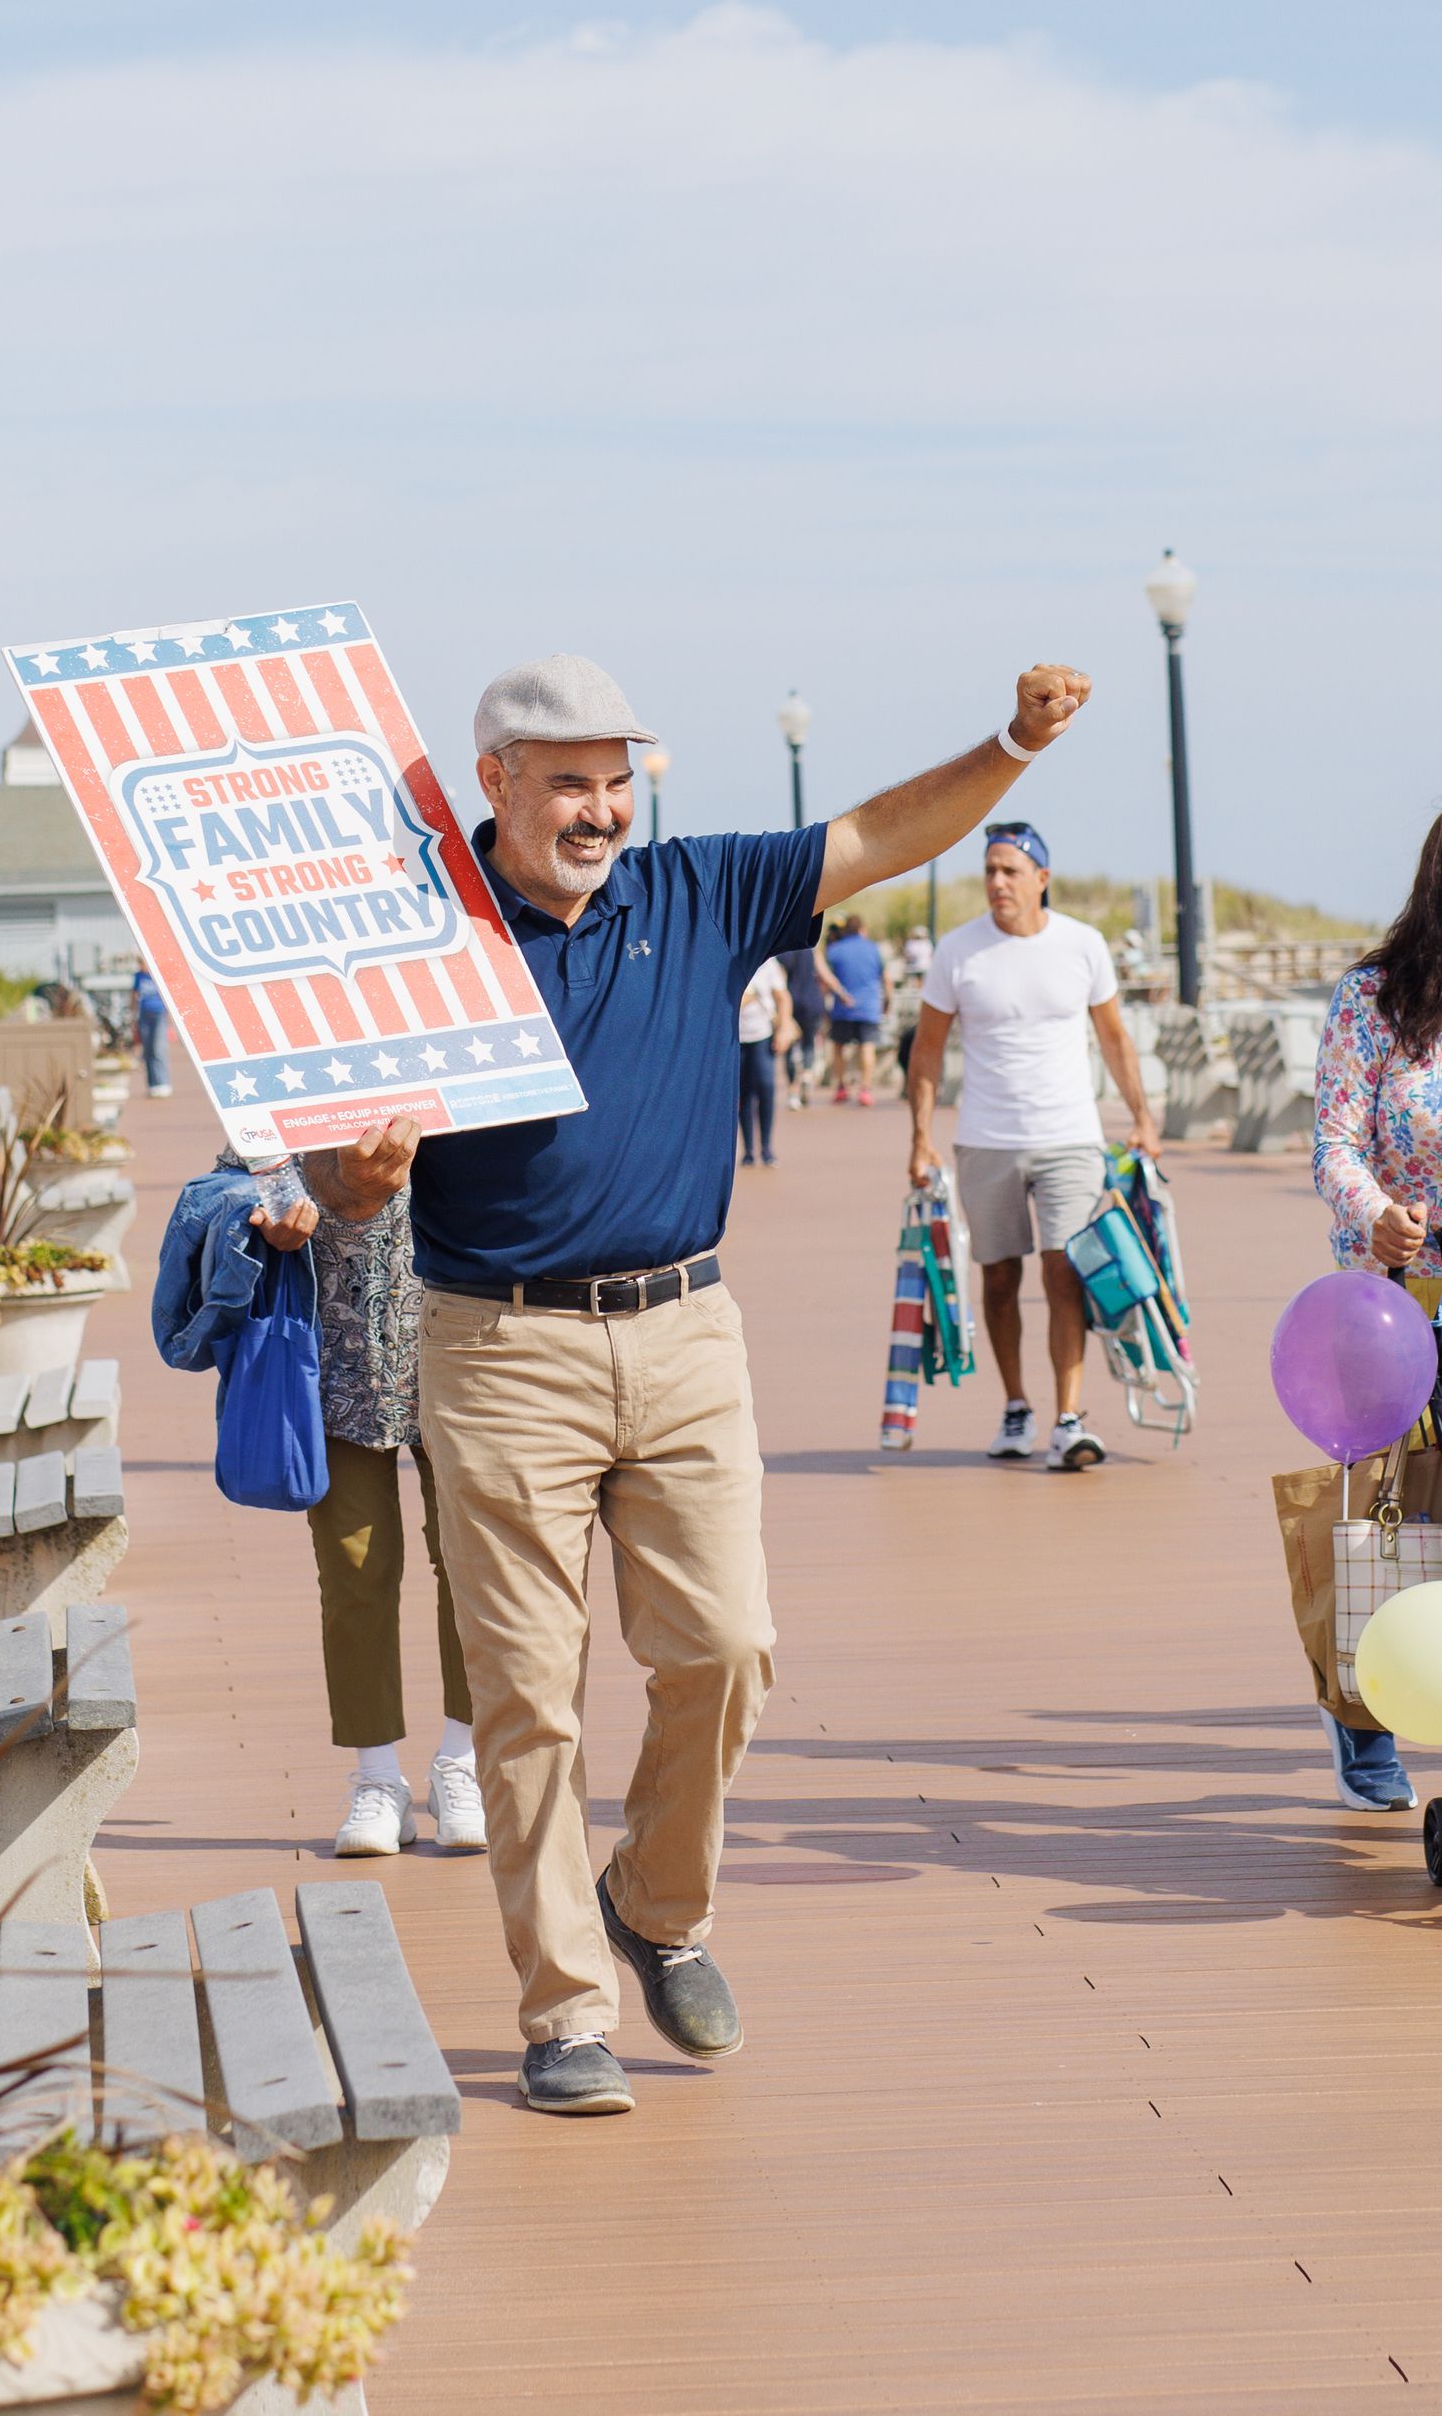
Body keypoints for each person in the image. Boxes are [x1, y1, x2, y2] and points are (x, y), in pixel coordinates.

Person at [365, 650, 1092, 2118]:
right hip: (497, 1346)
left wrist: (1010, 742)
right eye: (568, 778)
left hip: (688, 1332)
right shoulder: (421, 936)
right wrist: (356, 1171)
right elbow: (337, 1164)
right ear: (493, 779)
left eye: (617, 776)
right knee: (525, 1700)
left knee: (728, 1646)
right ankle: (565, 2005)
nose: (600, 806)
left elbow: (886, 828)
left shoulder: (697, 891)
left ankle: (655, 1896)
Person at [154, 1122, 486, 1857]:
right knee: (355, 1570)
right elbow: (224, 1183)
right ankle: (377, 1779)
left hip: (461, 1349)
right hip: (331, 1363)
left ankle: (461, 1762)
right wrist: (266, 1217)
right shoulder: (296, 1068)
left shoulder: (452, 1059)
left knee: (472, 1564)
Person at [1308, 791, 1442, 1812]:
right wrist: (1376, 1215)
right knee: (1381, 1499)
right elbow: (1332, 1140)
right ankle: (1364, 1719)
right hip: (1390, 1283)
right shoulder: (1372, 998)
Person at [905, 821, 1160, 1473]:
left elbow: (1114, 1039)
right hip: (985, 1139)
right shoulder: (959, 952)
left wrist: (1142, 1118)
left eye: (1010, 871)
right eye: (990, 870)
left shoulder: (1083, 944)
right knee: (997, 1277)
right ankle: (1016, 1404)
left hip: (1070, 1136)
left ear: (1041, 878)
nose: (997, 882)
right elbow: (927, 1049)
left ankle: (1069, 1418)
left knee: (1064, 1270)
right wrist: (920, 1139)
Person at [824, 913, 886, 1105]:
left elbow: (825, 979)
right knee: (867, 1047)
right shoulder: (873, 949)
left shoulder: (835, 950)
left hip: (842, 1007)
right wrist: (887, 1002)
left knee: (838, 1047)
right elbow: (886, 978)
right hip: (868, 1007)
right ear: (862, 929)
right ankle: (865, 1089)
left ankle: (841, 1087)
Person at [737, 958, 788, 1165]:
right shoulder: (727, 957)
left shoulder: (768, 963)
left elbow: (782, 997)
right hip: (735, 1037)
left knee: (766, 1087)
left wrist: (784, 1028)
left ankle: (767, 1147)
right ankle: (748, 1149)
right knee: (742, 1093)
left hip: (762, 1034)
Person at [779, 943, 828, 1107]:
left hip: (791, 1003)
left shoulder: (784, 950)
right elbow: (824, 974)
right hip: (811, 1001)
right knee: (809, 1043)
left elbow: (780, 980)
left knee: (790, 1047)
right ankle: (807, 1074)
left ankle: (793, 1091)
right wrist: (841, 993)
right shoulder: (813, 949)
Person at [132, 963, 172, 1098]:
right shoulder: (138, 976)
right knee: (148, 1050)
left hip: (159, 1013)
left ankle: (162, 1082)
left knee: (158, 1049)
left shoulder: (159, 974)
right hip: (144, 1015)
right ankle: (152, 1084)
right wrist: (133, 1016)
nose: (142, 966)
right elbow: (135, 995)